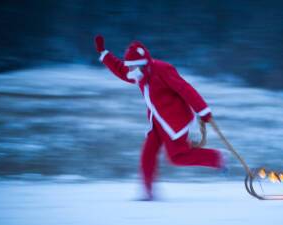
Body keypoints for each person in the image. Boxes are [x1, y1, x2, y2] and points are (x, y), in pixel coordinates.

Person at [94, 35, 224, 200]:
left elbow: (186, 89)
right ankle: (148, 193)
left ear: (144, 65)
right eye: (130, 67)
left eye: (134, 67)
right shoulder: (139, 74)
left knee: (177, 157)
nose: (131, 72)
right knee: (147, 154)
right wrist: (104, 53)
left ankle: (217, 158)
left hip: (175, 121)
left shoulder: (163, 70)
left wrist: (203, 111)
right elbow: (121, 69)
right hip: (157, 121)